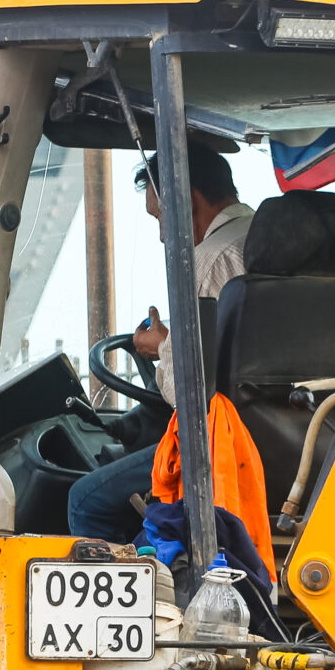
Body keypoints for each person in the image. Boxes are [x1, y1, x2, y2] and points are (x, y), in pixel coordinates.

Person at [67, 146, 252, 543]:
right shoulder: (259, 240)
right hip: (284, 438)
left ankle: (137, 580)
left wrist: (162, 349)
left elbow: (188, 393)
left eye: (160, 217)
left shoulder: (208, 261)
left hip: (221, 446)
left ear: (189, 201)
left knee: (85, 501)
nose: (163, 234)